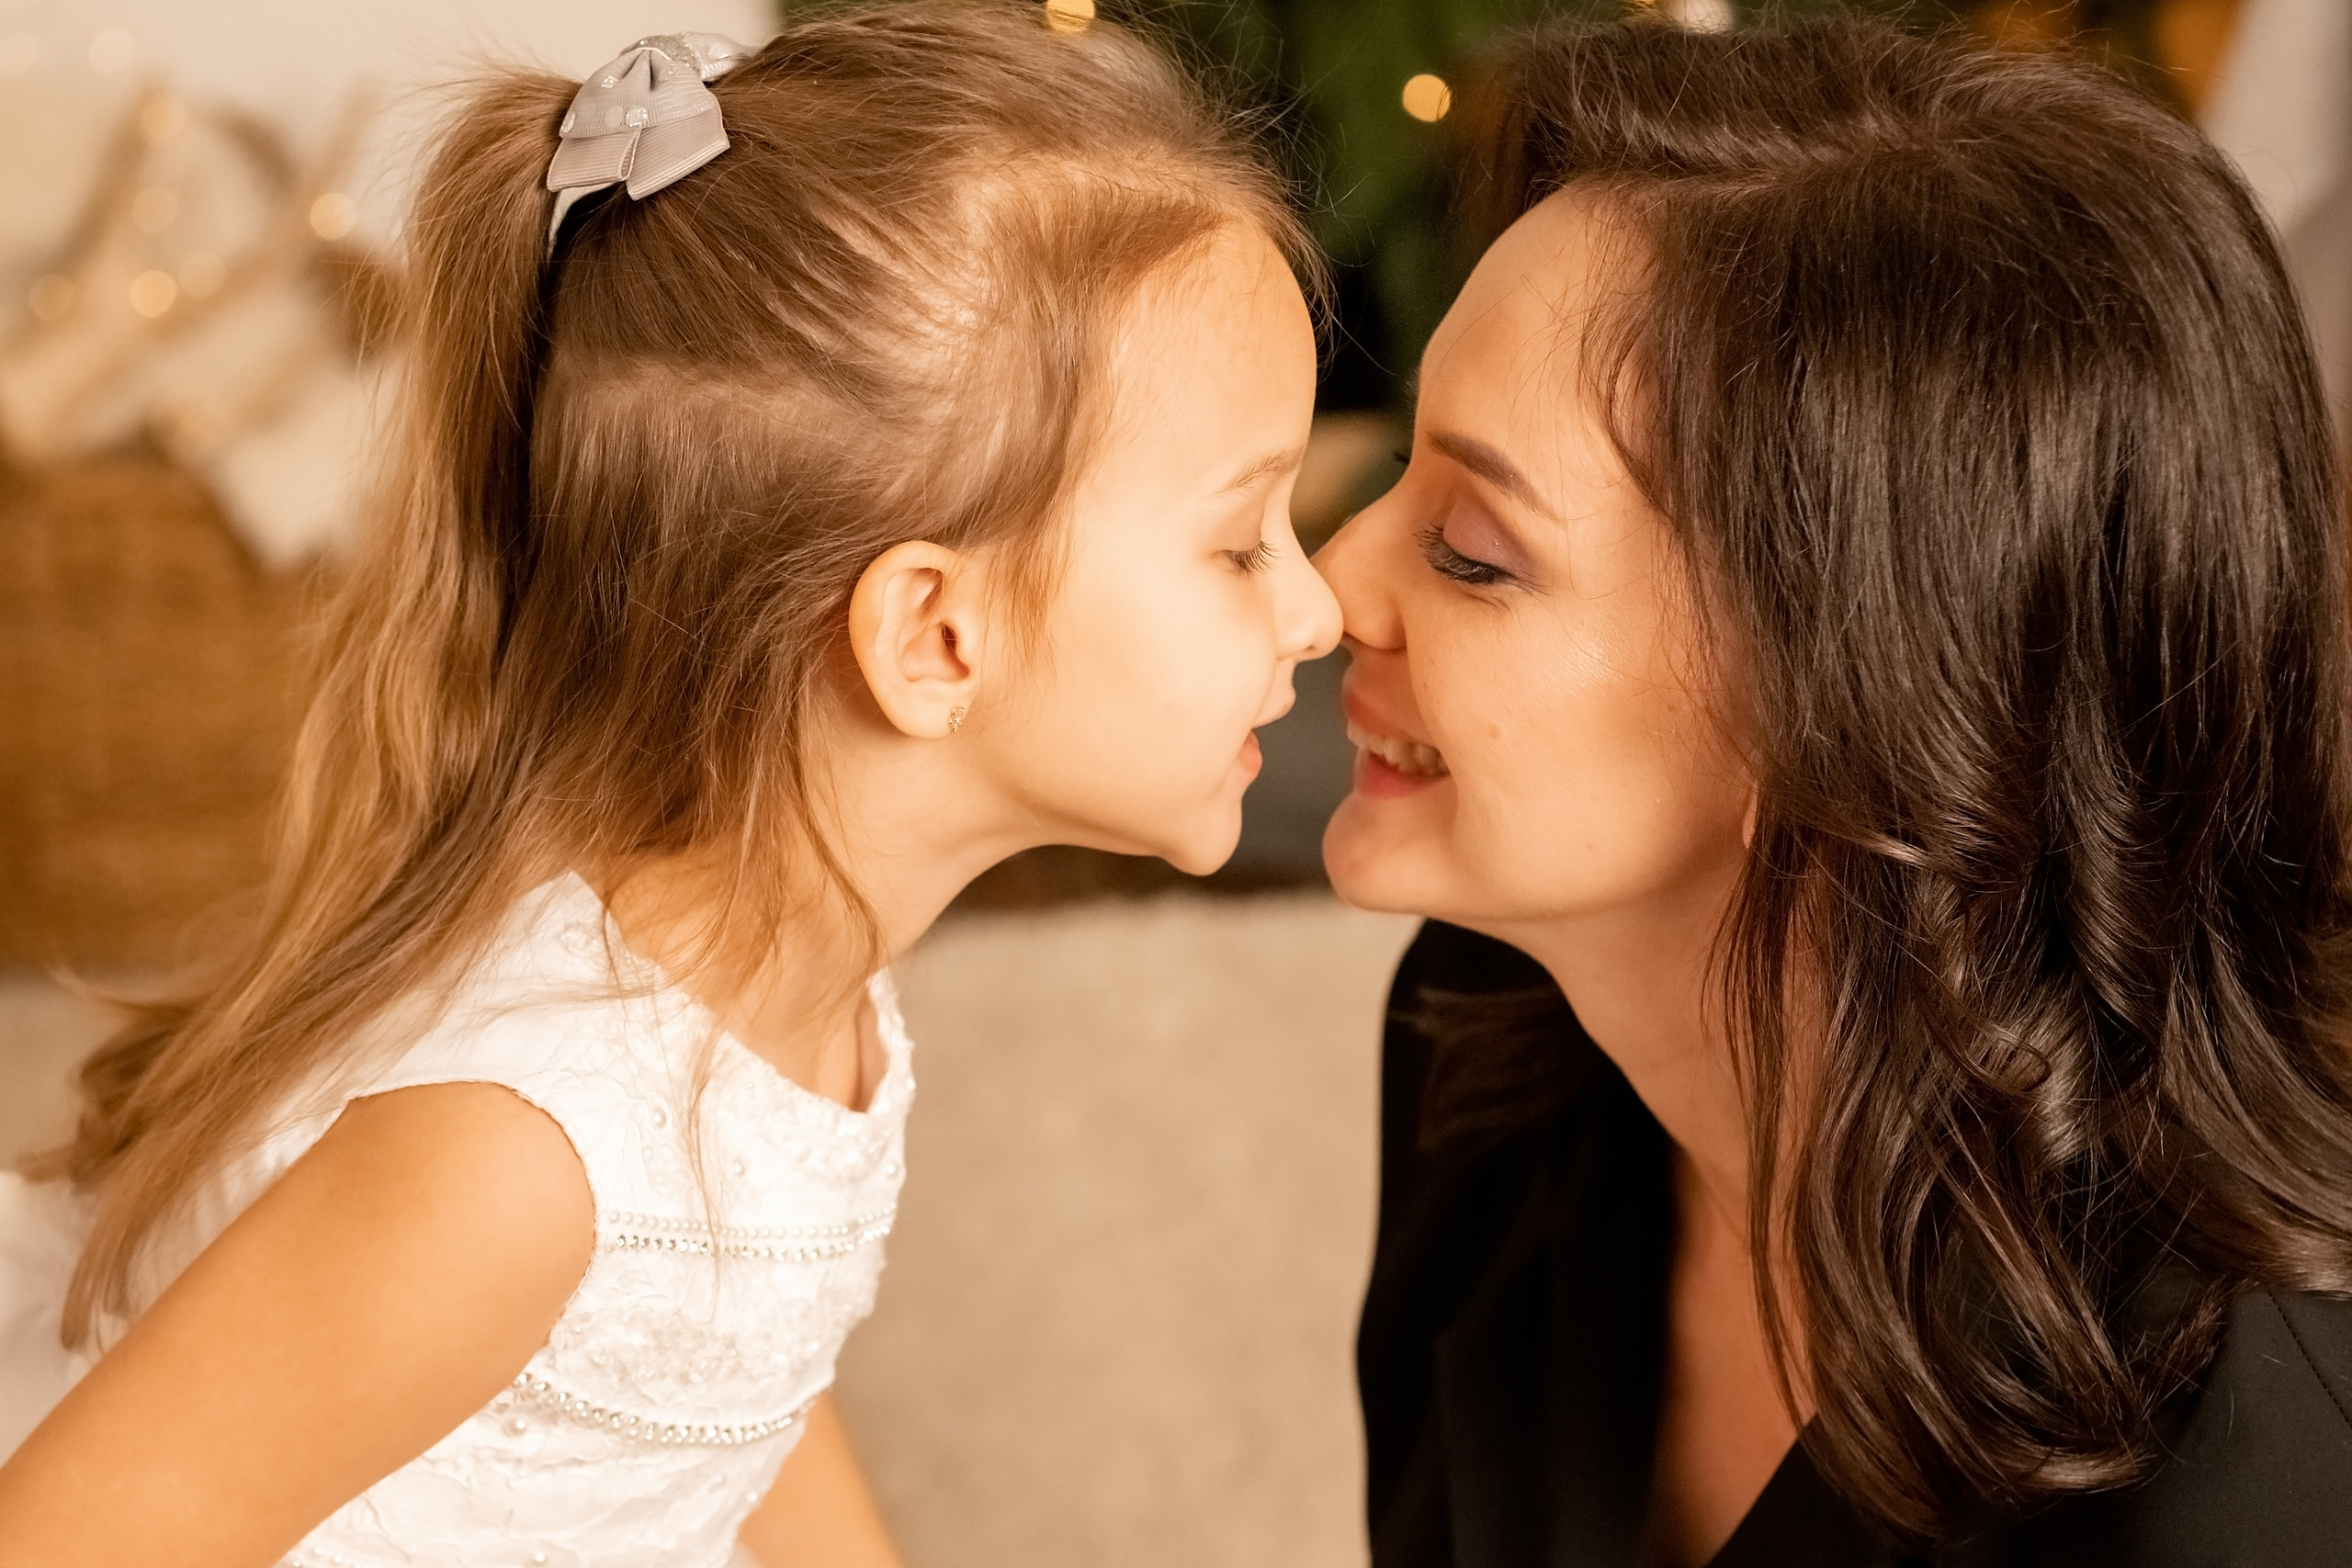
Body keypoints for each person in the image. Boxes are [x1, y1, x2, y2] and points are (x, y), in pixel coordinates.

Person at [0, 6, 1340, 1564]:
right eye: (1244, 543)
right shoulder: (520, 1153)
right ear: (933, 635)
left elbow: (720, 1359)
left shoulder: (784, 974)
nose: (1315, 611)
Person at [1318, 14, 2352, 1568]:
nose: (1330, 584)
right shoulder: (1489, 1042)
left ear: (1849, 711)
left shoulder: (2257, 1480)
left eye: (1475, 553)